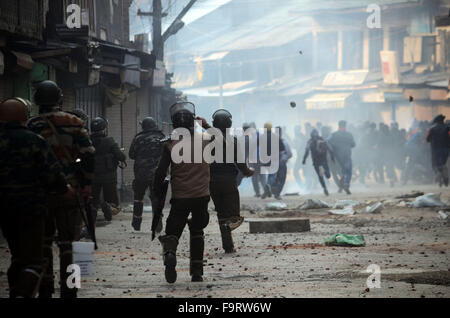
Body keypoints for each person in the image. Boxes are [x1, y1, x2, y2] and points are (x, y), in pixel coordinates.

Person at [27, 80, 95, 298]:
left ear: (37, 100)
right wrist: (85, 185)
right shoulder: (74, 122)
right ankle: (70, 288)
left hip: (41, 193)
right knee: (70, 244)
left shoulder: (32, 125)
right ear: (59, 99)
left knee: (44, 244)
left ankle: (46, 289)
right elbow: (88, 155)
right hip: (70, 192)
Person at [0, 98, 70, 298]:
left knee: (17, 255)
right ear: (23, 117)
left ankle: (16, 290)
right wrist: (62, 188)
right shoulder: (34, 141)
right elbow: (52, 175)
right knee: (34, 260)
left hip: (4, 209)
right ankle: (22, 293)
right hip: (31, 208)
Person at [153, 102, 210, 283]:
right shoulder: (206, 140)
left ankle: (170, 253)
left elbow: (160, 172)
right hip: (201, 197)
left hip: (180, 197)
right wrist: (207, 125)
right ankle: (197, 271)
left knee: (172, 231)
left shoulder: (170, 144)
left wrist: (155, 190)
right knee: (197, 230)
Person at [206, 109, 254, 253]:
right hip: (229, 181)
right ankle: (228, 242)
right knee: (233, 215)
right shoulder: (232, 141)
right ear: (229, 124)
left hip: (212, 181)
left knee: (221, 213)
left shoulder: (206, 139)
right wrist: (247, 172)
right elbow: (240, 162)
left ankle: (228, 245)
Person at [129, 117, 165, 231]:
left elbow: (132, 155)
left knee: (138, 197)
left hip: (141, 173)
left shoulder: (138, 138)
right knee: (156, 198)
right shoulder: (162, 137)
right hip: (157, 173)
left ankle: (136, 222)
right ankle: (157, 223)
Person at [90, 117, 126, 221]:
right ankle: (108, 208)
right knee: (110, 198)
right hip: (109, 177)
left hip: (92, 177)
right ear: (103, 128)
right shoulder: (109, 141)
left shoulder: (87, 140)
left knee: (93, 198)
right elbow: (121, 157)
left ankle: (92, 216)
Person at [303, 129, 335, 196]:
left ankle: (324, 188)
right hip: (323, 160)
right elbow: (330, 149)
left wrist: (304, 159)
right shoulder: (322, 140)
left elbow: (307, 150)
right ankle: (325, 173)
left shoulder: (310, 141)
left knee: (320, 176)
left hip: (316, 161)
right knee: (328, 175)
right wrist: (332, 158)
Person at [328, 120, 356, 194]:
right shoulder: (349, 135)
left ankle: (341, 186)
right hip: (347, 155)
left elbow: (327, 142)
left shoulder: (333, 134)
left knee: (342, 172)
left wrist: (333, 149)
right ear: (345, 126)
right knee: (348, 171)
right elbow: (353, 144)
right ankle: (346, 185)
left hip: (337, 157)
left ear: (339, 125)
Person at [268, 127, 292, 200]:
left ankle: (271, 187)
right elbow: (290, 154)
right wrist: (285, 158)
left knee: (273, 177)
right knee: (281, 179)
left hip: (272, 162)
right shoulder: (283, 142)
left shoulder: (269, 142)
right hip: (281, 162)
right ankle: (277, 194)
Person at [426, 114, 450, 187]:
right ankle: (445, 177)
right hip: (446, 149)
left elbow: (427, 139)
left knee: (436, 164)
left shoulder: (432, 129)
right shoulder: (447, 128)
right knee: (443, 163)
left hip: (435, 149)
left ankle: (440, 175)